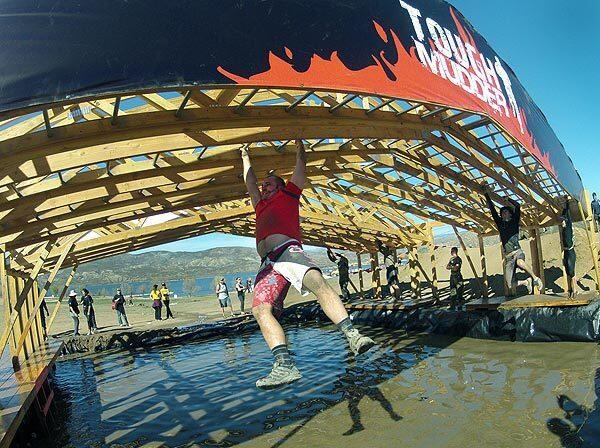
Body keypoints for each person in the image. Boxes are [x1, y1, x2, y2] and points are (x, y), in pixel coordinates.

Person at [241, 139, 374, 389]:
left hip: (288, 250)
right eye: (263, 184)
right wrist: (245, 155)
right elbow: (249, 183)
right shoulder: (260, 205)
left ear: (281, 186)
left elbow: (301, 167)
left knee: (318, 284)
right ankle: (284, 365)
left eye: (269, 183)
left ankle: (353, 335)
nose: (264, 186)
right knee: (259, 310)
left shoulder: (289, 195)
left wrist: (300, 146)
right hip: (268, 262)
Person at [484, 188, 543, 296]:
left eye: (506, 211)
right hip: (508, 257)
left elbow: (518, 206)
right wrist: (486, 195)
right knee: (510, 284)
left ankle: (535, 278)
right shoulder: (500, 223)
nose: (504, 213)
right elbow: (492, 210)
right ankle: (526, 282)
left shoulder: (514, 221)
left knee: (520, 262)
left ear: (510, 214)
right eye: (502, 212)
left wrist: (508, 199)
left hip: (517, 252)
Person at [560, 199, 579, 298]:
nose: (561, 222)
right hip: (566, 252)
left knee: (572, 272)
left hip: (571, 252)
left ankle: (575, 290)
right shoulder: (563, 229)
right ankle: (570, 290)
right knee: (568, 272)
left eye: (563, 220)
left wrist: (566, 205)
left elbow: (568, 216)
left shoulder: (568, 227)